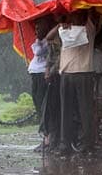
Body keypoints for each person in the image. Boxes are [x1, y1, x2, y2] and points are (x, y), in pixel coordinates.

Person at [58, 9, 98, 155]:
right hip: (73, 73)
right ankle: (69, 144)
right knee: (75, 111)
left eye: (75, 15)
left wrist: (63, 23)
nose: (73, 18)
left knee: (83, 111)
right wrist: (63, 24)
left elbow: (50, 36)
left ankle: (83, 144)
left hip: (81, 73)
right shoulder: (67, 30)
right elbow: (49, 37)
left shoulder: (87, 29)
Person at [38, 14, 68, 153]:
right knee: (50, 109)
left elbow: (61, 57)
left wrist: (51, 71)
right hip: (52, 76)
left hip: (60, 76)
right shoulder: (53, 38)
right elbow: (50, 55)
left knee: (57, 110)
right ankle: (49, 139)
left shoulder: (63, 35)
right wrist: (47, 70)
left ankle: (56, 140)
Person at [28, 15, 54, 152]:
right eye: (36, 27)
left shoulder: (48, 41)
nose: (36, 30)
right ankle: (45, 137)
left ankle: (48, 139)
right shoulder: (39, 41)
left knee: (45, 108)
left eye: (39, 27)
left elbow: (39, 52)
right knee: (39, 107)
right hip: (35, 75)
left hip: (43, 76)